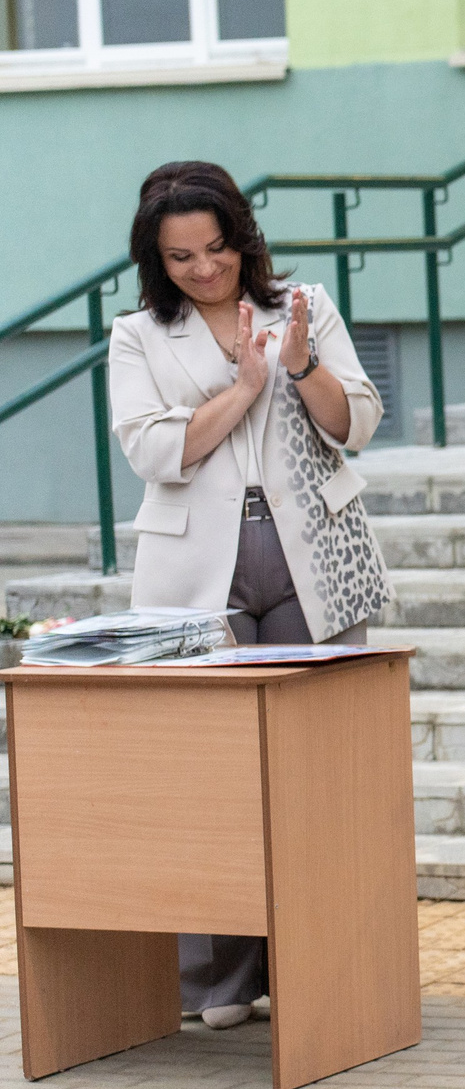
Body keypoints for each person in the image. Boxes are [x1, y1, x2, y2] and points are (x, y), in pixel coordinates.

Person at [107, 159, 392, 1031]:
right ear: (157, 259)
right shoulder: (137, 336)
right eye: (181, 256)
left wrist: (299, 366)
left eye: (216, 247)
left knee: (319, 775)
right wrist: (241, 389)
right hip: (199, 570)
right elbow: (155, 452)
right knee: (214, 780)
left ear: (242, 236)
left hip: (314, 557)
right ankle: (219, 985)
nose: (203, 268)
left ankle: (325, 968)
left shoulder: (301, 308)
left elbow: (360, 422)